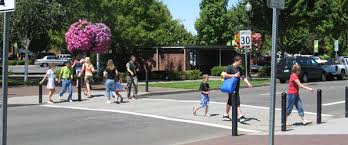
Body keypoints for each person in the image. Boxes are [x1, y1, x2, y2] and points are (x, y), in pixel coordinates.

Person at [222, 55, 253, 122]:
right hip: (231, 87)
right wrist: (234, 75)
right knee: (236, 100)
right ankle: (240, 116)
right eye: (239, 62)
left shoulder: (239, 69)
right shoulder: (230, 67)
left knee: (230, 101)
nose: (240, 63)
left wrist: (248, 83)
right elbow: (224, 75)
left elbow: (243, 77)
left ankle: (225, 115)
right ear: (236, 61)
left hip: (236, 87)